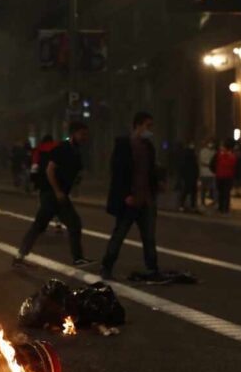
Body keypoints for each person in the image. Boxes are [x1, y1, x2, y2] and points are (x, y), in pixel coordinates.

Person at [12, 121, 94, 267]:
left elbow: (76, 173)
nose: (85, 137)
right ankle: (20, 256)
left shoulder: (76, 151)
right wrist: (57, 192)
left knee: (72, 224)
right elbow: (50, 170)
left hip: (59, 195)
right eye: (82, 134)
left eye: (86, 134)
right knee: (41, 225)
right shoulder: (63, 148)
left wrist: (73, 185)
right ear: (73, 133)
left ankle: (77, 258)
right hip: (51, 194)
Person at [101, 111, 165, 281]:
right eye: (148, 126)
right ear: (138, 125)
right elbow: (118, 173)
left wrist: (157, 184)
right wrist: (125, 195)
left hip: (147, 199)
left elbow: (151, 170)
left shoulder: (149, 146)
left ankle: (152, 268)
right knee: (119, 234)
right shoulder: (124, 145)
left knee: (149, 237)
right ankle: (106, 266)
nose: (150, 130)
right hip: (130, 200)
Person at [214, 139, 238, 214]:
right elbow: (235, 167)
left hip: (220, 176)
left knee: (221, 192)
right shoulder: (233, 157)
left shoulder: (219, 155)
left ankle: (221, 208)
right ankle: (226, 209)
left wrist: (216, 171)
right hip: (228, 176)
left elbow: (213, 164)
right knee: (226, 193)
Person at [177, 142, 199, 212]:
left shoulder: (184, 158)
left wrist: (181, 177)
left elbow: (182, 168)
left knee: (185, 192)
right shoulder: (193, 159)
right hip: (192, 177)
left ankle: (182, 205)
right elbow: (196, 168)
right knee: (192, 193)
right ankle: (192, 206)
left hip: (187, 177)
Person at [198, 138, 217, 207]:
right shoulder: (203, 151)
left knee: (212, 189)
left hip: (211, 173)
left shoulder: (214, 152)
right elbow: (202, 161)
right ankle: (203, 201)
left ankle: (213, 201)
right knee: (204, 189)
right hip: (206, 173)